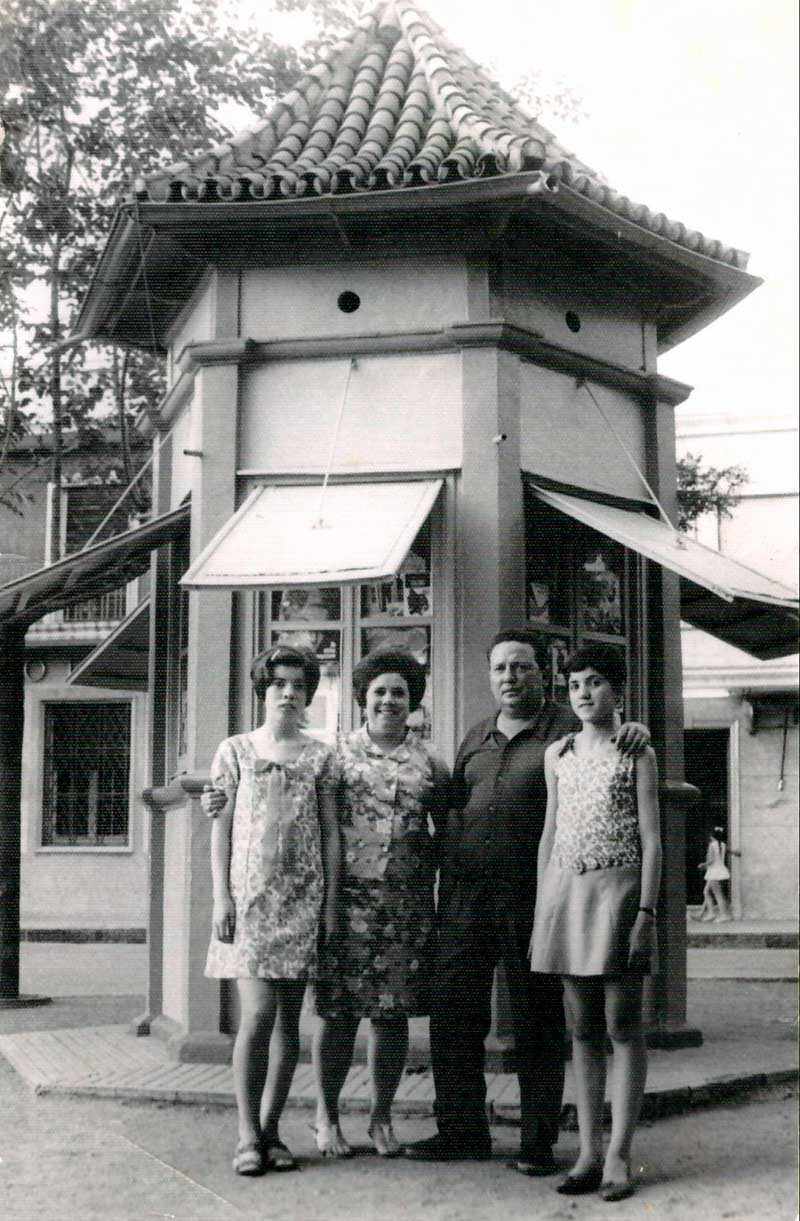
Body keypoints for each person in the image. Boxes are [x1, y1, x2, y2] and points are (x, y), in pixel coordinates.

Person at [403, 628, 650, 1173]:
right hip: (465, 894)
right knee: (453, 1010)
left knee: (536, 1015)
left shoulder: (567, 729)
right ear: (490, 677)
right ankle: (462, 1131)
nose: (509, 678)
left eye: (521, 667)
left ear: (544, 672)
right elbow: (449, 807)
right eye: (500, 669)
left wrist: (634, 727)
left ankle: (538, 1141)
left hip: (535, 895)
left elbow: (612, 740)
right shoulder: (476, 735)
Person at [203, 645, 341, 1176]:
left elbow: (329, 832)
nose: (288, 692)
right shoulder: (235, 750)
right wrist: (222, 896)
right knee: (257, 1016)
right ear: (263, 689)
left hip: (303, 901)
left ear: (309, 694)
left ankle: (271, 1129)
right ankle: (244, 1134)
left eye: (298, 685)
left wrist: (329, 904)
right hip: (251, 902)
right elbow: (221, 829)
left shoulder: (320, 754)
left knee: (289, 1024)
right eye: (279, 683)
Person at [530, 644, 660, 1203]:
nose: (584, 692)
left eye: (596, 682)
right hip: (566, 891)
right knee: (580, 1027)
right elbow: (551, 831)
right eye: (575, 683)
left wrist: (646, 914)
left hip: (619, 892)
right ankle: (587, 1149)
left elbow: (653, 840)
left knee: (622, 1024)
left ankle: (619, 1154)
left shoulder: (637, 751)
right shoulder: (557, 754)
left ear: (619, 691)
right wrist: (544, 907)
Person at [313, 648, 450, 1158]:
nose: (389, 700)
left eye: (399, 692)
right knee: (338, 1014)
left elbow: (448, 828)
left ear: (411, 701)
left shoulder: (430, 761)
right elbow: (317, 826)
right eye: (379, 692)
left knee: (391, 1017)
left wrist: (425, 867)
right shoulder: (336, 756)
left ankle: (380, 1117)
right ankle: (327, 1117)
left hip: (405, 906)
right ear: (362, 700)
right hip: (346, 903)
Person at [693, 827, 739, 922]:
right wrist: (736, 853)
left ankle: (724, 915)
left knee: (717, 894)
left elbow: (711, 860)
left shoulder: (712, 845)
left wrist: (702, 865)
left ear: (711, 836)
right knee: (707, 892)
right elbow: (730, 852)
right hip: (720, 871)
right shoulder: (722, 844)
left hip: (714, 872)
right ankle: (710, 913)